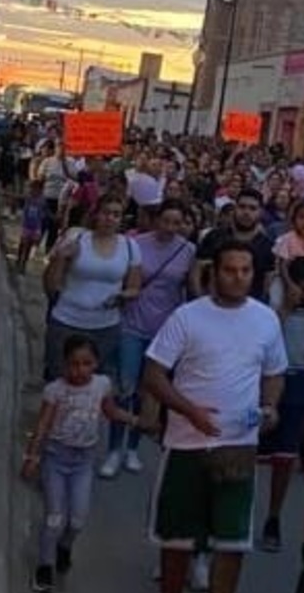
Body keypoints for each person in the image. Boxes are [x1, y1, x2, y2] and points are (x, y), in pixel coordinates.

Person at [142, 241, 287, 593]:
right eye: (230, 269)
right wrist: (188, 411)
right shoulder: (187, 317)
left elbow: (275, 373)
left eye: (246, 270)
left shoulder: (266, 321)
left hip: (238, 447)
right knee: (177, 538)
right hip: (187, 444)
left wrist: (271, 407)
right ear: (213, 273)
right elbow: (153, 374)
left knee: (231, 543)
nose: (238, 277)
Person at [23, 333, 137, 593]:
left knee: (77, 520)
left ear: (96, 363)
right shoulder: (56, 391)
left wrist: (135, 421)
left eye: (86, 363)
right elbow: (43, 424)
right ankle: (45, 566)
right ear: (65, 364)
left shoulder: (101, 386)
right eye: (74, 364)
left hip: (83, 463)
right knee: (54, 518)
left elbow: (110, 411)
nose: (80, 370)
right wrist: (32, 457)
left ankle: (65, 545)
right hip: (56, 459)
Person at [101, 199, 194, 478]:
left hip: (165, 330)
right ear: (156, 220)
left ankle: (132, 447)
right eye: (165, 221)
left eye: (176, 223)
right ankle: (114, 449)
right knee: (125, 387)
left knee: (149, 392)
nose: (169, 227)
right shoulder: (136, 244)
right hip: (132, 323)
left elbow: (189, 289)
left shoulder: (187, 250)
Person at [259, 256, 304, 552]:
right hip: (267, 379)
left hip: (300, 380)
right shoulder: (274, 301)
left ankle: (273, 517)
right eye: (303, 287)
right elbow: (265, 335)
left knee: (285, 457)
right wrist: (288, 305)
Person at [42, 194, 142, 384]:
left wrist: (122, 296)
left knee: (92, 385)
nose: (110, 218)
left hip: (105, 327)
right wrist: (60, 258)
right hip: (67, 321)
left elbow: (135, 287)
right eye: (106, 213)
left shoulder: (130, 246)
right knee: (59, 380)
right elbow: (50, 285)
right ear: (96, 214)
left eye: (116, 214)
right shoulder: (77, 238)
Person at [194, 186, 274, 300]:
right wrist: (201, 301)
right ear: (235, 208)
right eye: (242, 207)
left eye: (252, 208)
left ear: (260, 212)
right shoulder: (214, 237)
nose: (246, 212)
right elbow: (196, 271)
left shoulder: (267, 246)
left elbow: (267, 285)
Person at [17, 180, 46, 273]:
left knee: (29, 245)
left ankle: (24, 263)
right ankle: (19, 260)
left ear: (41, 190)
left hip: (35, 227)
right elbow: (18, 197)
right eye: (32, 189)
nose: (33, 191)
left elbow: (43, 213)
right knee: (23, 243)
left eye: (36, 189)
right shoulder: (28, 198)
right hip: (26, 225)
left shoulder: (42, 201)